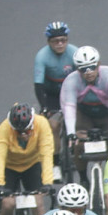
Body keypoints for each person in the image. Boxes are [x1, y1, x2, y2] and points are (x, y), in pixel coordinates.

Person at [0, 102, 54, 215]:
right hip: (10, 167)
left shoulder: (42, 124)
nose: (23, 134)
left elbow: (47, 152)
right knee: (7, 204)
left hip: (32, 164)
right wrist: (0, 185)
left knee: (38, 204)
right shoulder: (4, 129)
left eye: (27, 130)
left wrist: (47, 182)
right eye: (18, 132)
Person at [60, 46, 108, 167]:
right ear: (78, 70)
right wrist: (71, 133)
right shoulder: (71, 80)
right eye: (83, 69)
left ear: (99, 64)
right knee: (79, 145)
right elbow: (69, 107)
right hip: (84, 113)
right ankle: (83, 176)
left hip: (107, 112)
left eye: (92, 67)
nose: (88, 72)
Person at [33, 21, 77, 153]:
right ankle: (56, 158)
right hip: (52, 94)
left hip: (71, 93)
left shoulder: (75, 52)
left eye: (63, 40)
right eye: (55, 41)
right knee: (53, 126)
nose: (60, 44)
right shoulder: (42, 56)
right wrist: (44, 106)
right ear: (49, 42)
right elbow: (38, 84)